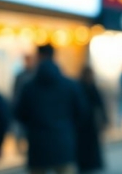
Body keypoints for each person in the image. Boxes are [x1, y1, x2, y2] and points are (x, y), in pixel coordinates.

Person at [15, 44, 88, 174]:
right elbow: (82, 112)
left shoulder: (29, 87)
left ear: (38, 57)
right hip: (63, 141)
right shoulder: (70, 85)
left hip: (38, 143)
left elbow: (20, 113)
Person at [76, 66, 108, 173]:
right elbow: (100, 104)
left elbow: (100, 104)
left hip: (85, 123)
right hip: (87, 123)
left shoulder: (81, 86)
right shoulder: (86, 87)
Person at [12, 54, 35, 153]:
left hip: (31, 108)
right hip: (22, 105)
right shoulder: (20, 76)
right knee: (20, 130)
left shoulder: (34, 75)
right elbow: (15, 91)